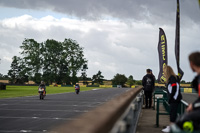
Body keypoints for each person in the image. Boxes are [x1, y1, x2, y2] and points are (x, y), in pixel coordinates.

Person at [175, 52, 200, 131]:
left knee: (181, 120)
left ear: (191, 63)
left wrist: (194, 106)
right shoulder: (197, 78)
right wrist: (193, 105)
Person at [162, 65, 182, 133]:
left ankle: (172, 128)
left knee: (173, 113)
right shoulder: (172, 78)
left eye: (164, 71)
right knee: (172, 113)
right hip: (174, 99)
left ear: (167, 71)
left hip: (174, 99)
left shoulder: (172, 78)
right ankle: (171, 126)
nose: (163, 72)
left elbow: (174, 88)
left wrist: (171, 98)